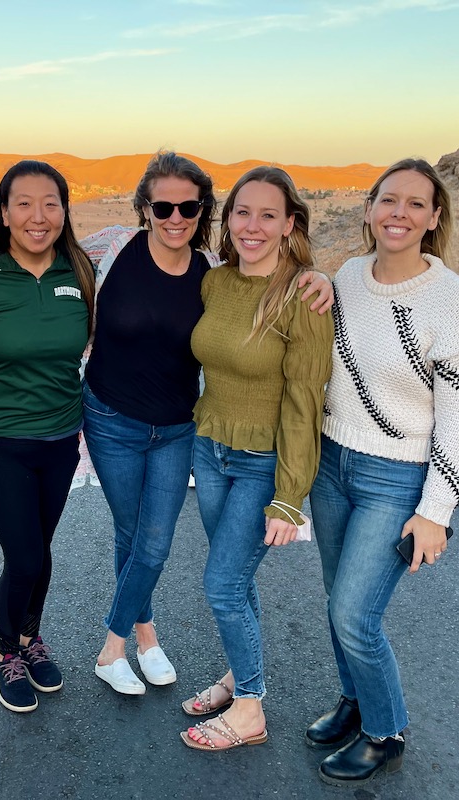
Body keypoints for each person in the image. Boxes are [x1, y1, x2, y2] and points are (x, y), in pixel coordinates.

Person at [80, 153, 334, 696]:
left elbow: (302, 388)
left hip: (181, 430)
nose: (175, 217)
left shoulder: (213, 273)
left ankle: (114, 649)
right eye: (163, 207)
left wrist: (322, 279)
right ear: (144, 208)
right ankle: (147, 638)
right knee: (135, 536)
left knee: (160, 546)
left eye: (189, 207)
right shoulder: (119, 253)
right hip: (118, 422)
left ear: (203, 211)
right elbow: (46, 265)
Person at [305, 158, 459, 786]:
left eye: (415, 204)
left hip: (396, 478)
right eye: (388, 200)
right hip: (331, 464)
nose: (399, 213)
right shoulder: (348, 277)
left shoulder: (454, 302)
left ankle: (384, 733)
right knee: (337, 600)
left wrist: (436, 511)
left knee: (355, 614)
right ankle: (355, 701)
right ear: (369, 210)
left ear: (434, 218)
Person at [181, 166, 333, 751]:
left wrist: (290, 497)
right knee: (237, 580)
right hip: (209, 450)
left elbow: (305, 402)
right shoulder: (215, 283)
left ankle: (249, 710)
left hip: (260, 463)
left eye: (269, 215)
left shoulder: (304, 296)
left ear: (290, 223)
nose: (252, 226)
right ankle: (235, 675)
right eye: (242, 212)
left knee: (221, 584)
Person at [0, 160, 96, 713]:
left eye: (50, 204)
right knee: (25, 555)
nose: (38, 216)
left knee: (40, 549)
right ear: (5, 212)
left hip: (60, 438)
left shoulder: (79, 270)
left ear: (64, 211)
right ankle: (6, 655)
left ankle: (30, 639)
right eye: (24, 203)